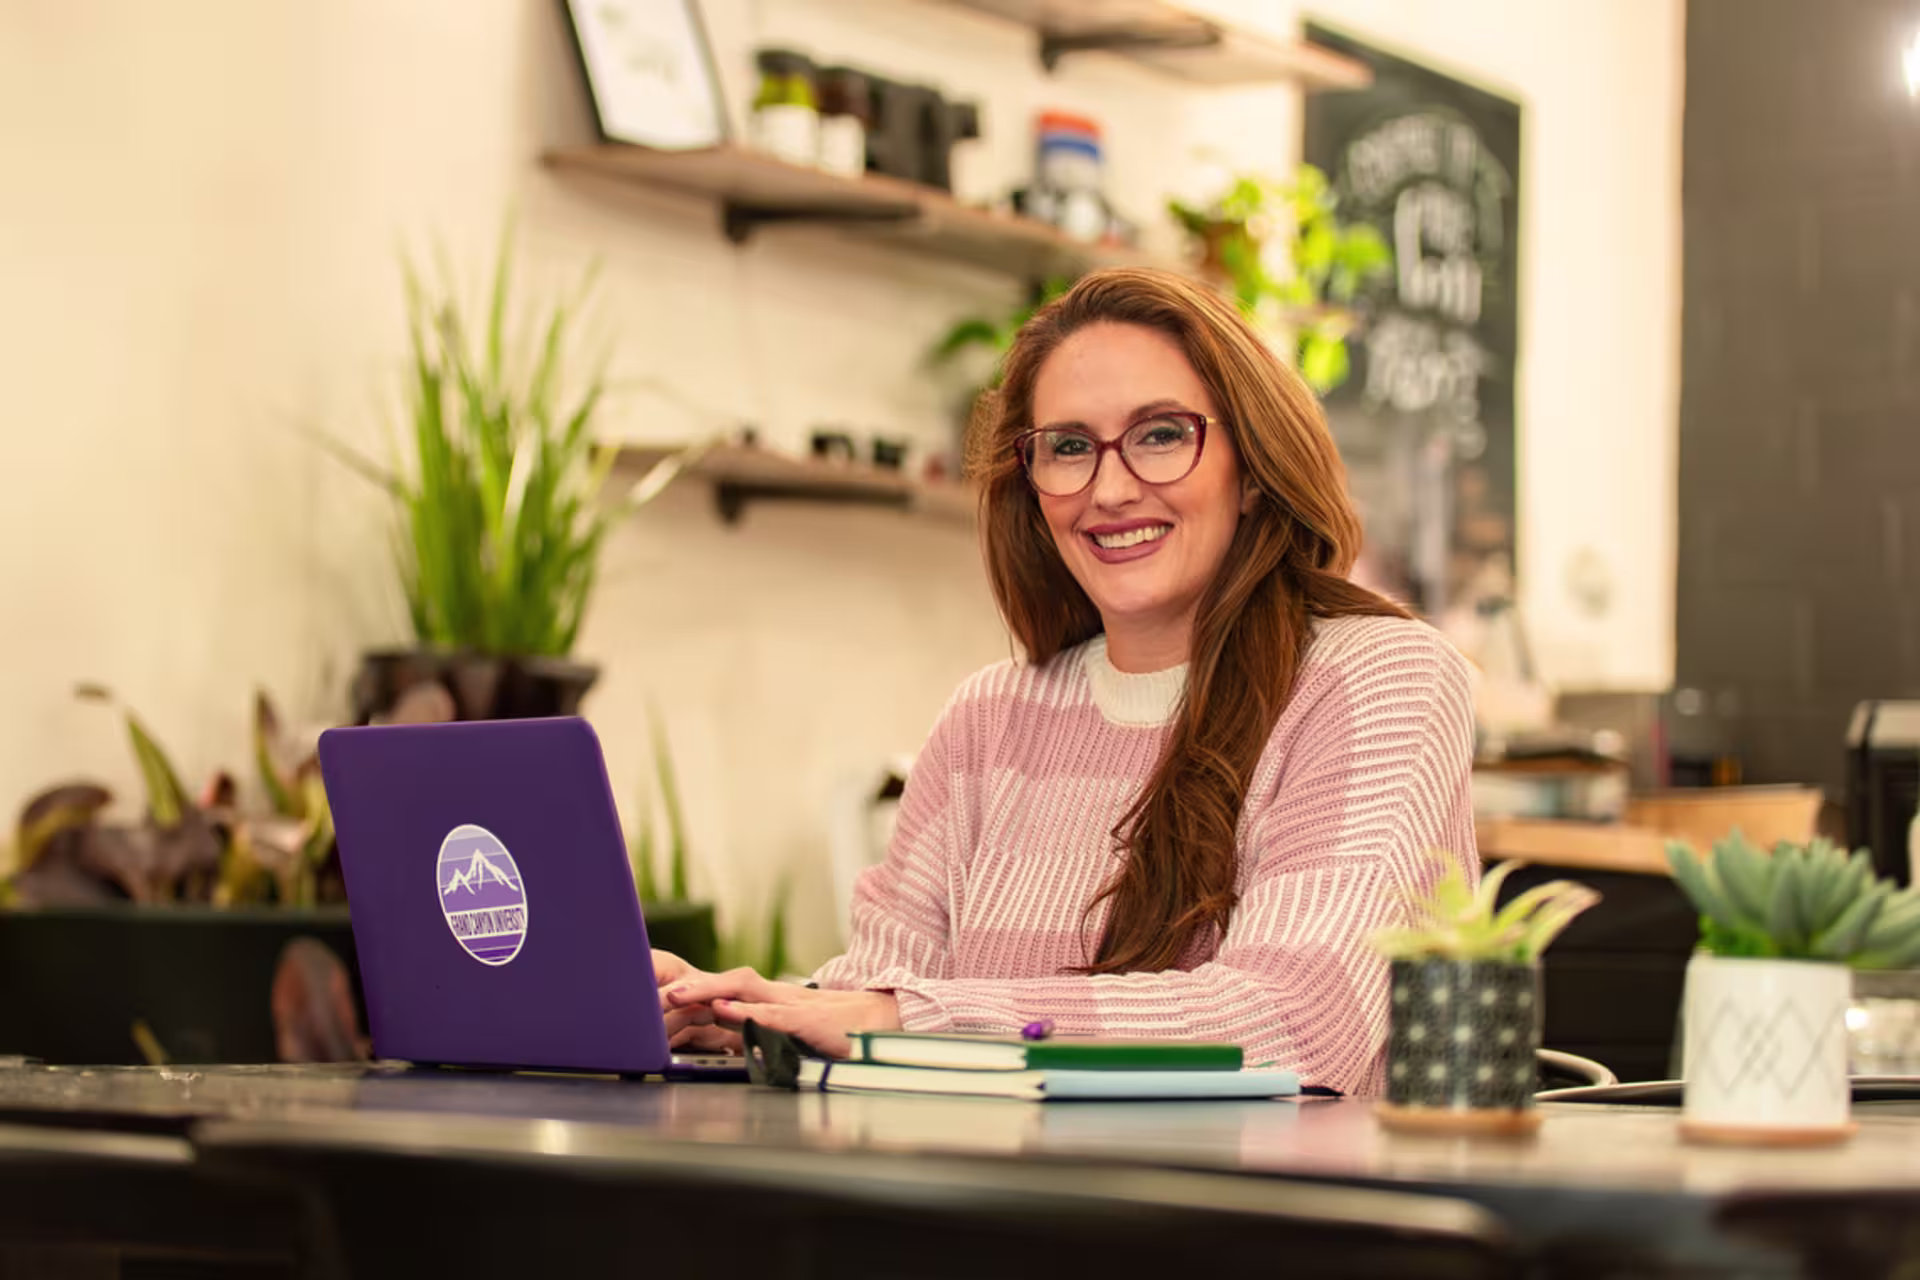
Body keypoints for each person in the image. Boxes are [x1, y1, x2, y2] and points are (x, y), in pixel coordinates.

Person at [655, 267, 1477, 1095]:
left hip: (1260, 1217)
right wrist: (738, 1016)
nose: (1110, 490)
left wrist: (904, 1019)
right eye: (1070, 447)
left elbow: (1296, 1022)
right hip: (998, 1203)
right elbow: (882, 995)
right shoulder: (988, 717)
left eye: (1161, 435)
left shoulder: (1376, 678)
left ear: (1254, 469)